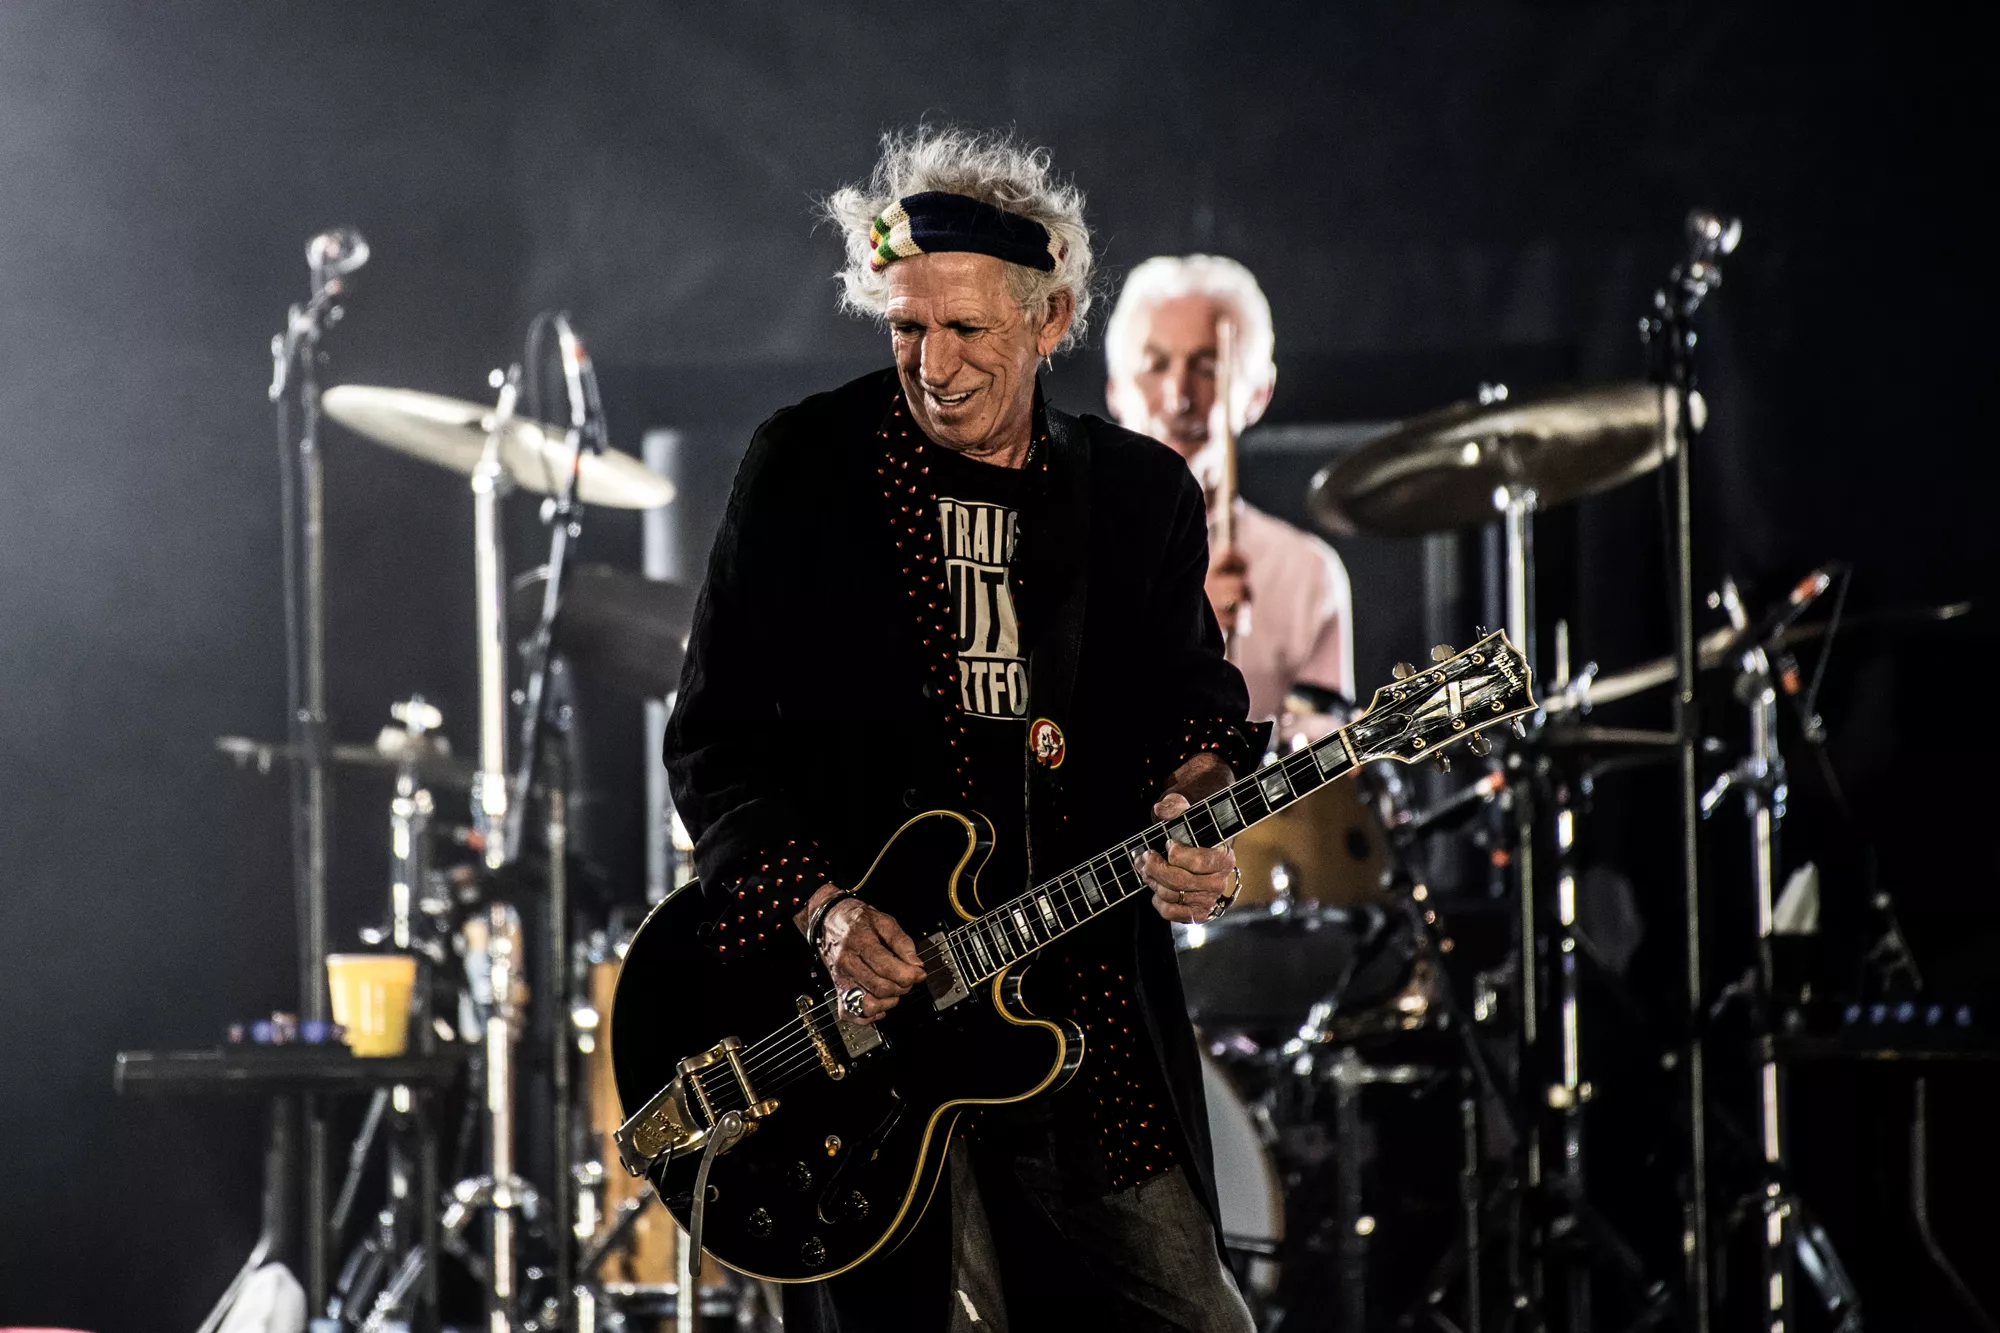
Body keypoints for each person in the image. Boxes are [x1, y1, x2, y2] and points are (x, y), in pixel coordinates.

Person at [665, 127, 1262, 1332]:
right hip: (863, 1038)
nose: (931, 365)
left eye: (967, 329)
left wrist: (1197, 820)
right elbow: (713, 741)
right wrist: (826, 912)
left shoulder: (1137, 496)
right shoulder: (804, 467)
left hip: (1082, 1019)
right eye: (906, 328)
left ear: (1052, 320)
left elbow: (1196, 721)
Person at [1105, 256, 1354, 727]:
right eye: (1154, 365)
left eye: (1207, 367)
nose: (1179, 396)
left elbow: (1324, 761)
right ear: (1116, 389)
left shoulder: (1306, 575)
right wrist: (1189, 627)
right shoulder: (1061, 543)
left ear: (1259, 393)